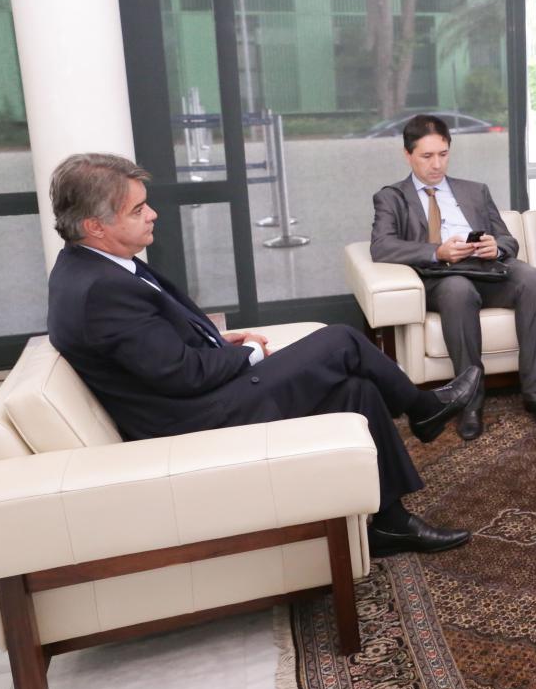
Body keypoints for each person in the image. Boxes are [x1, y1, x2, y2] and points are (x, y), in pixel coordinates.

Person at [45, 153, 480, 557]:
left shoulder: (97, 265)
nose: (152, 214)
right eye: (138, 210)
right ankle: (424, 409)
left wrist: (217, 342)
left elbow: (152, 347)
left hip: (194, 399)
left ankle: (390, 523)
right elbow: (180, 374)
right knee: (341, 341)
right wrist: (248, 353)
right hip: (194, 419)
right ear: (94, 226)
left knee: (357, 390)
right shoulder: (101, 288)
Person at [370, 114, 536, 439]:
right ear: (407, 155)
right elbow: (382, 247)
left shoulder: (474, 191)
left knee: (532, 278)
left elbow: (508, 240)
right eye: (427, 156)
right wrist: (437, 252)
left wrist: (495, 247)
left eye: (443, 154)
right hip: (441, 278)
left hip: (485, 269)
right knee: (458, 289)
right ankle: (470, 402)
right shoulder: (392, 197)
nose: (437, 164)